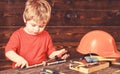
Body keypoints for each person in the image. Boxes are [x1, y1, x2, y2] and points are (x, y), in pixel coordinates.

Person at [5, 0, 69, 69]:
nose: (36, 29)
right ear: (25, 19)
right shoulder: (18, 35)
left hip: (40, 70)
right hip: (22, 70)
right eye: (33, 25)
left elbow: (51, 54)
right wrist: (19, 59)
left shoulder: (46, 35)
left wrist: (58, 54)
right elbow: (8, 52)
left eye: (41, 26)